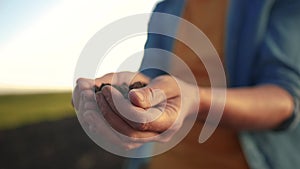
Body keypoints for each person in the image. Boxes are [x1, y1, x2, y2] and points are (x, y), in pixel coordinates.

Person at [72, 0, 300, 168]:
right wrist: (129, 92)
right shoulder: (166, 9)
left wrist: (195, 101)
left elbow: (285, 99)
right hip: (160, 161)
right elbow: (151, 77)